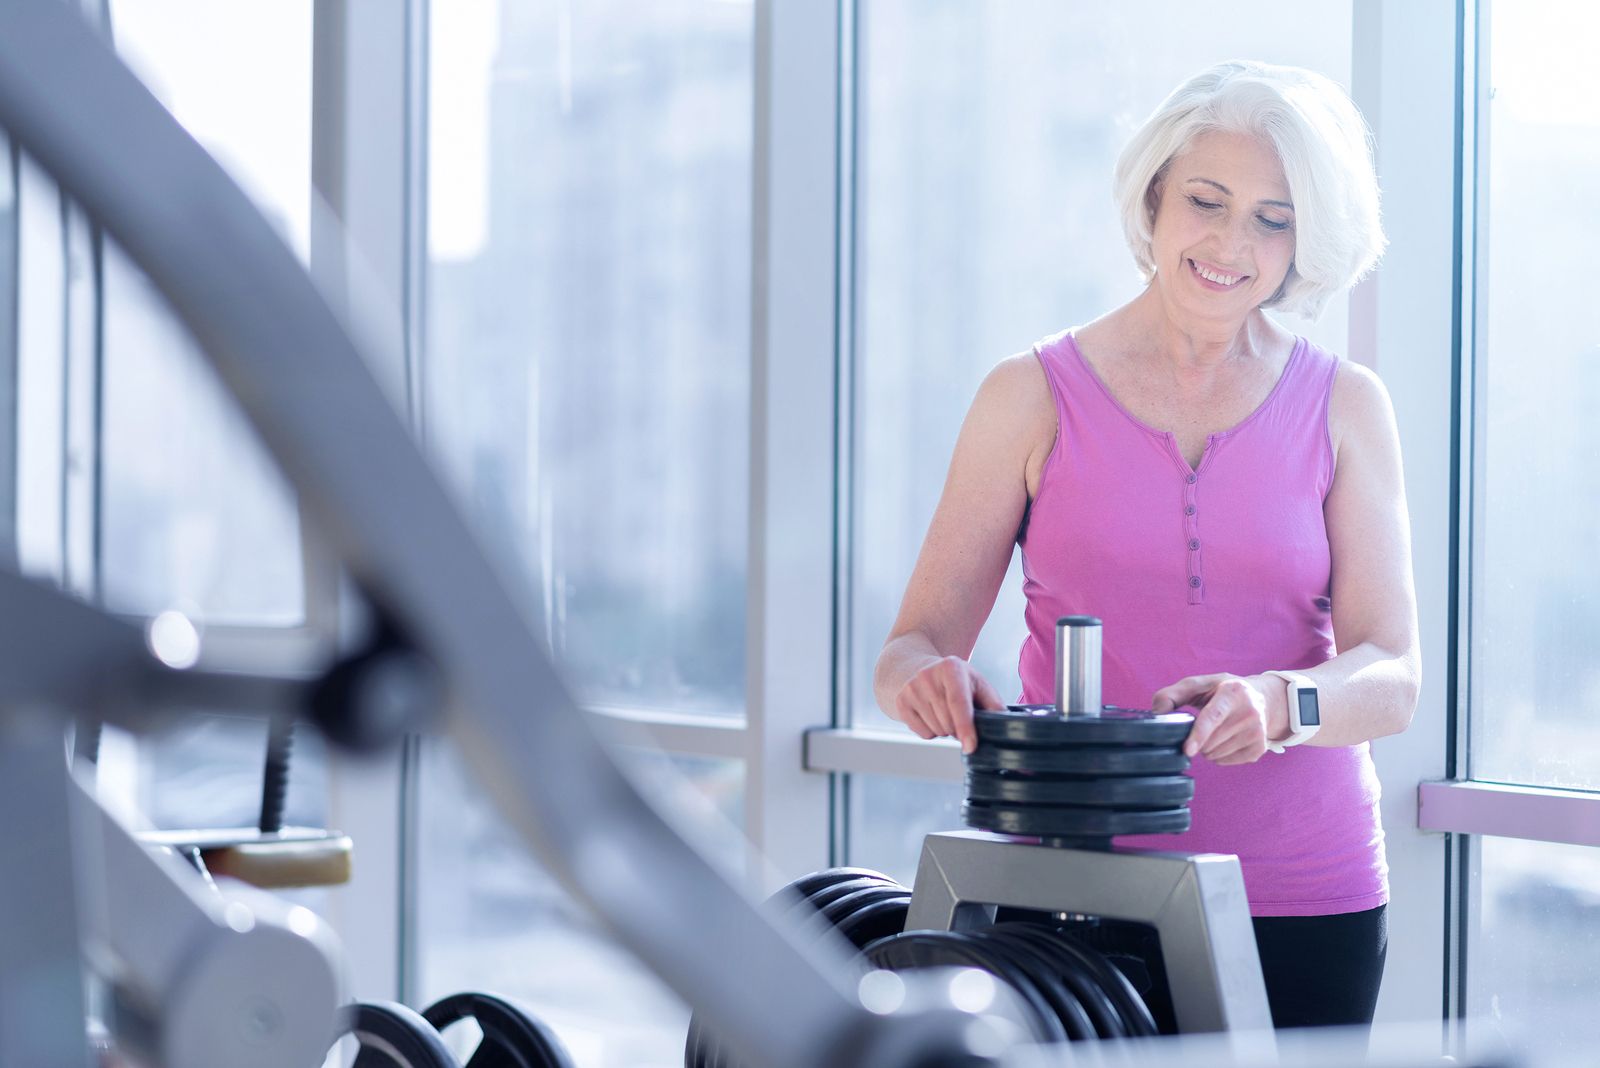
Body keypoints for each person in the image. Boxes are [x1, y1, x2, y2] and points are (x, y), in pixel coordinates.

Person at [873, 60, 1419, 1031]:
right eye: (1206, 201)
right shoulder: (1026, 394)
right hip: (1074, 892)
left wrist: (1279, 702)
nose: (1228, 242)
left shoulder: (1346, 406)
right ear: (1154, 198)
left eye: (1271, 217)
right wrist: (929, 680)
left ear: (1305, 241)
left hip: (1304, 891)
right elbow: (909, 647)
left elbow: (1393, 675)